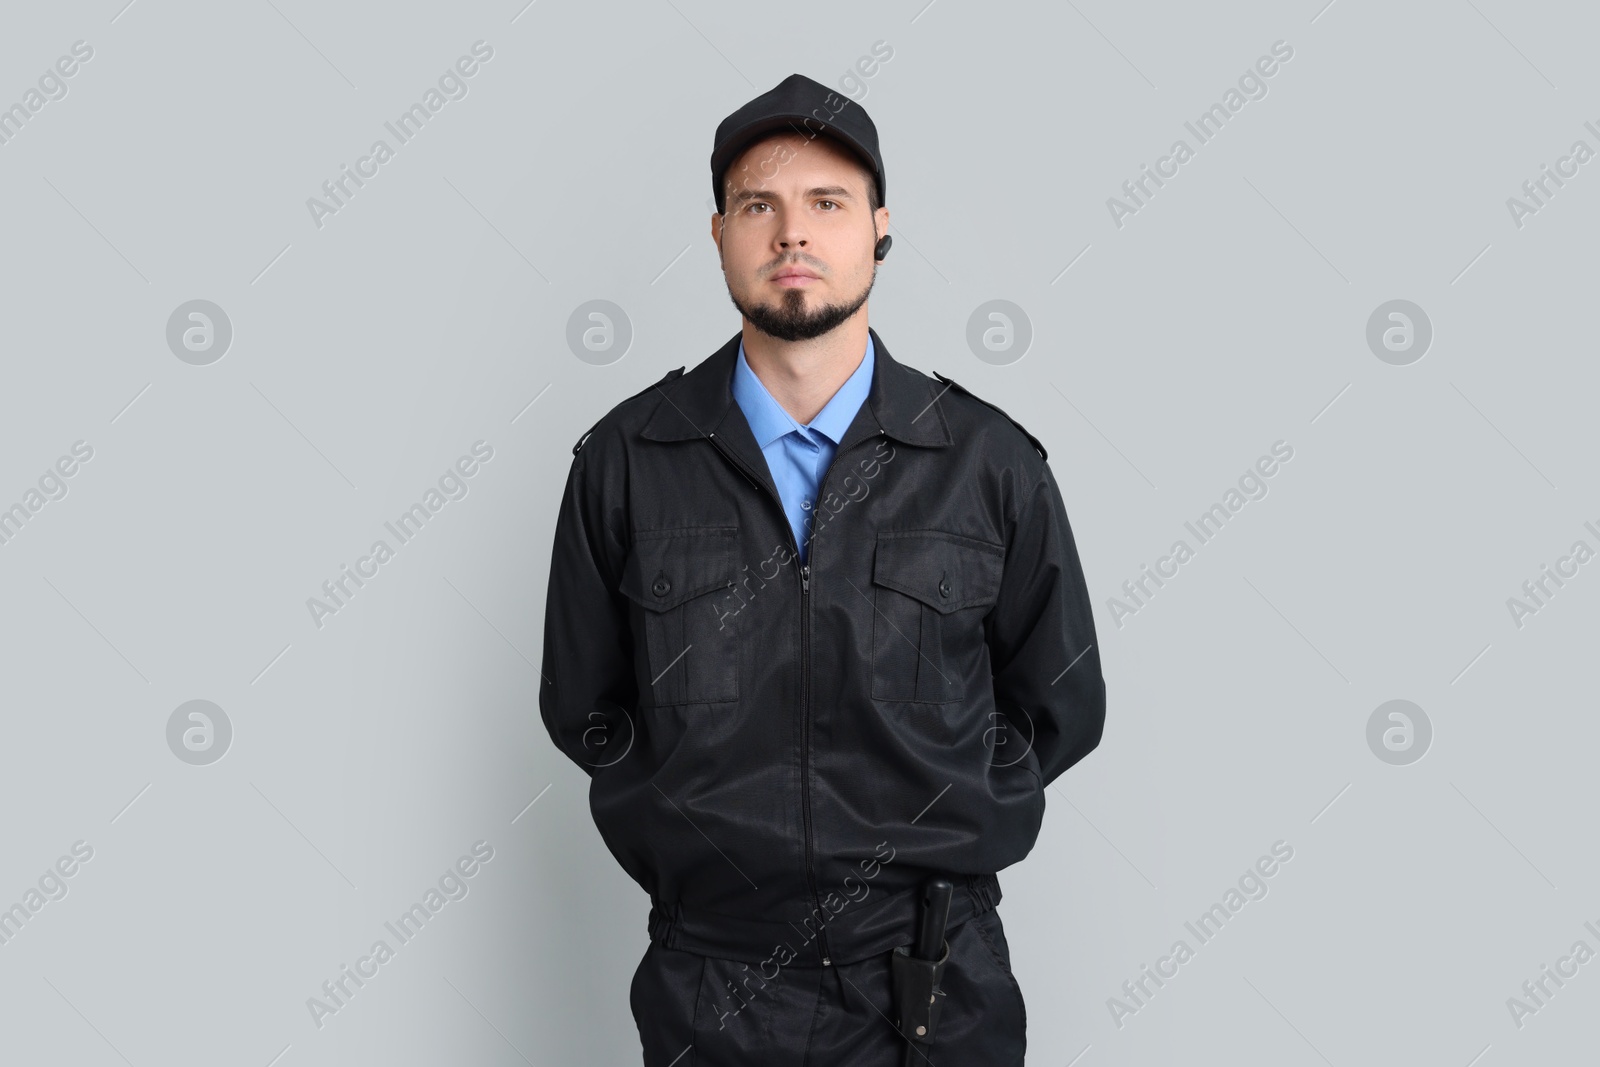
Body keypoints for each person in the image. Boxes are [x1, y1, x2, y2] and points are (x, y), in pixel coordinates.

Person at [540, 72, 1105, 1066]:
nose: (791, 234)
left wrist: (950, 816)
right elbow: (581, 704)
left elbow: (1060, 705)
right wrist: (689, 832)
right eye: (759, 205)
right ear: (718, 232)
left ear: (878, 228)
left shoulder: (986, 463)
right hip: (711, 985)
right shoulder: (627, 461)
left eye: (826, 204)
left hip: (934, 982)